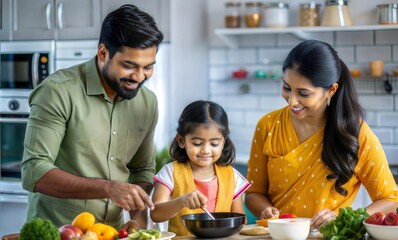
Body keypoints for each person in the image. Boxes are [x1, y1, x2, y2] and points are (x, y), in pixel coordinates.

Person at [20, 4, 164, 231]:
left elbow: (142, 170)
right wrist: (108, 188)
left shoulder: (147, 103)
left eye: (148, 67)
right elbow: (33, 171)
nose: (139, 76)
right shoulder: (58, 91)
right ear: (103, 53)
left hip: (111, 233)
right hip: (56, 232)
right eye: (129, 65)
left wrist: (138, 217)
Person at [244, 40, 398, 229]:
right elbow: (253, 194)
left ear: (331, 90)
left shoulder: (357, 134)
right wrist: (266, 209)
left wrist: (345, 217)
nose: (292, 100)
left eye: (303, 93)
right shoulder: (268, 125)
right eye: (287, 88)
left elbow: (390, 200)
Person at [150, 100, 251, 236]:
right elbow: (156, 213)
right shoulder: (171, 172)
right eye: (197, 143)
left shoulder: (231, 176)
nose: (205, 150)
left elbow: (239, 221)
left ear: (223, 142)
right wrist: (181, 201)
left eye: (214, 144)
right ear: (181, 141)